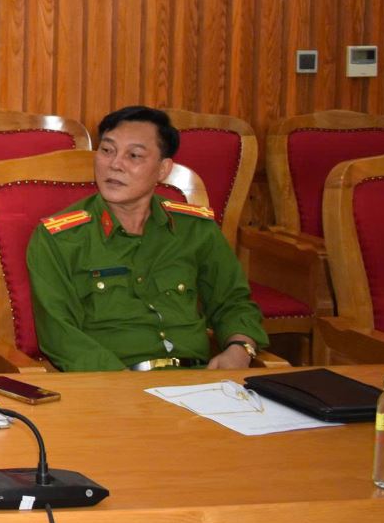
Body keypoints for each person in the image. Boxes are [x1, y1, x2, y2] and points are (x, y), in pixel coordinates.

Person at [27, 106, 267, 372]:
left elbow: (233, 302)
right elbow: (60, 335)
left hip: (197, 379)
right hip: (112, 382)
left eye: (134, 155)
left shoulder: (195, 229)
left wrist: (240, 348)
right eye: (107, 150)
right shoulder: (61, 238)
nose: (115, 164)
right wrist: (124, 385)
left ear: (163, 169)